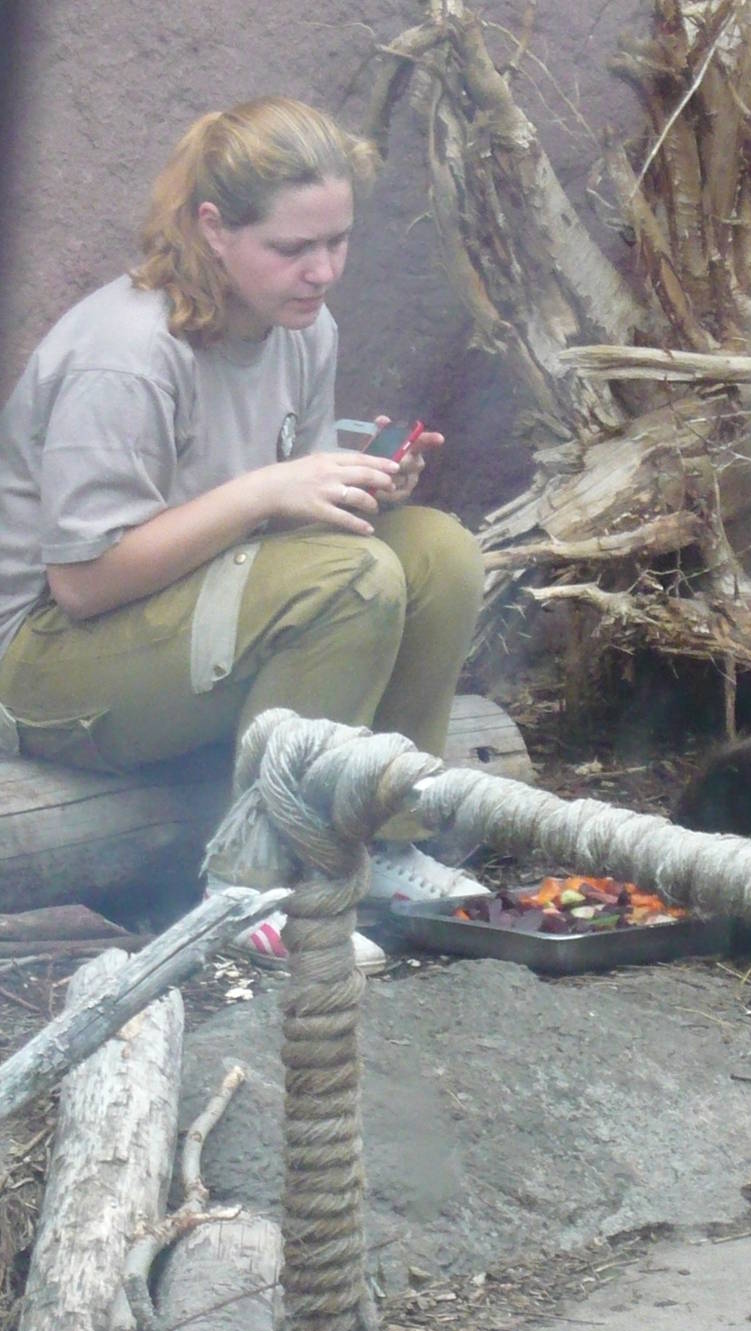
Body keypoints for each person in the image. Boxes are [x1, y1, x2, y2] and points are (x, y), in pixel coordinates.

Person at [0, 96, 487, 973]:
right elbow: (82, 582)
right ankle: (251, 887)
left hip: (188, 616)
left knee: (438, 553)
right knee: (354, 579)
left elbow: (293, 536)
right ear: (213, 229)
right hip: (45, 666)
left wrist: (361, 486)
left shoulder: (302, 329)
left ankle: (378, 839)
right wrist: (265, 489)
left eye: (337, 241)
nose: (322, 271)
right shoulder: (126, 354)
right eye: (292, 248)